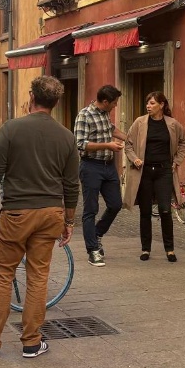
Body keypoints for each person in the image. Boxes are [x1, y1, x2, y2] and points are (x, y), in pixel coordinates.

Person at [0, 75, 80, 359]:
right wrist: (69, 221)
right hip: (51, 213)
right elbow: (72, 185)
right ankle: (32, 342)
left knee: (2, 274)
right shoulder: (67, 137)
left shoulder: (12, 129)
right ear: (55, 103)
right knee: (38, 277)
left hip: (18, 213)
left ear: (31, 97)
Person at [122, 92, 185, 262]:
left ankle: (169, 249)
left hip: (164, 171)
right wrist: (134, 159)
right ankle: (145, 249)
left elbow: (184, 141)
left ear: (161, 104)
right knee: (145, 211)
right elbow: (128, 144)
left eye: (152, 103)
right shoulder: (139, 122)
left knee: (165, 210)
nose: (148, 106)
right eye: (147, 103)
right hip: (144, 172)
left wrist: (177, 161)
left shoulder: (172, 124)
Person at [74, 85, 127, 267]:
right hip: (91, 166)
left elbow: (111, 129)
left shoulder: (105, 113)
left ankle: (96, 233)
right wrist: (108, 145)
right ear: (105, 102)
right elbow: (80, 144)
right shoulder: (84, 115)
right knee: (90, 209)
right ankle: (93, 250)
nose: (115, 105)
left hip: (108, 166)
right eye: (114, 103)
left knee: (116, 204)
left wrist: (130, 139)